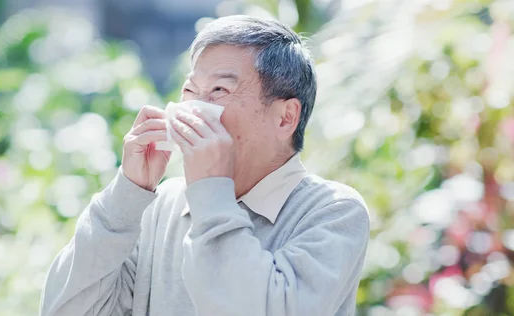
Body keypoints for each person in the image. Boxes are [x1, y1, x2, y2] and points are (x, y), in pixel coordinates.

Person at [40, 15, 370, 316]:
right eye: (190, 90)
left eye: (218, 90)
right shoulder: (165, 205)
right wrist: (126, 195)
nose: (195, 108)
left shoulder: (333, 212)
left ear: (285, 117)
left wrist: (212, 193)